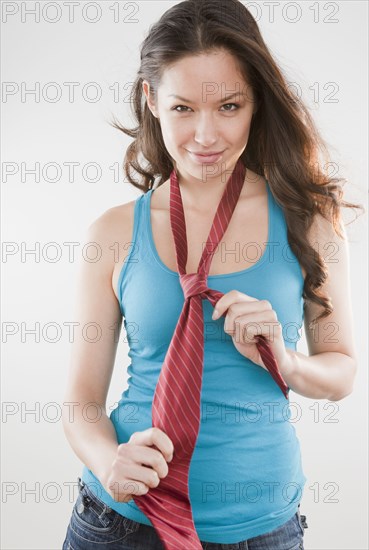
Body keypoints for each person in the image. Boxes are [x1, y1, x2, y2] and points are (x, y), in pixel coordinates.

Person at [61, 1, 362, 549]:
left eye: (228, 106)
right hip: (123, 521)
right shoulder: (112, 232)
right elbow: (81, 401)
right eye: (181, 107)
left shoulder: (309, 220)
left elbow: (341, 372)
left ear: (256, 102)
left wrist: (285, 359)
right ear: (151, 100)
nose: (205, 135)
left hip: (261, 529)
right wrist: (109, 462)